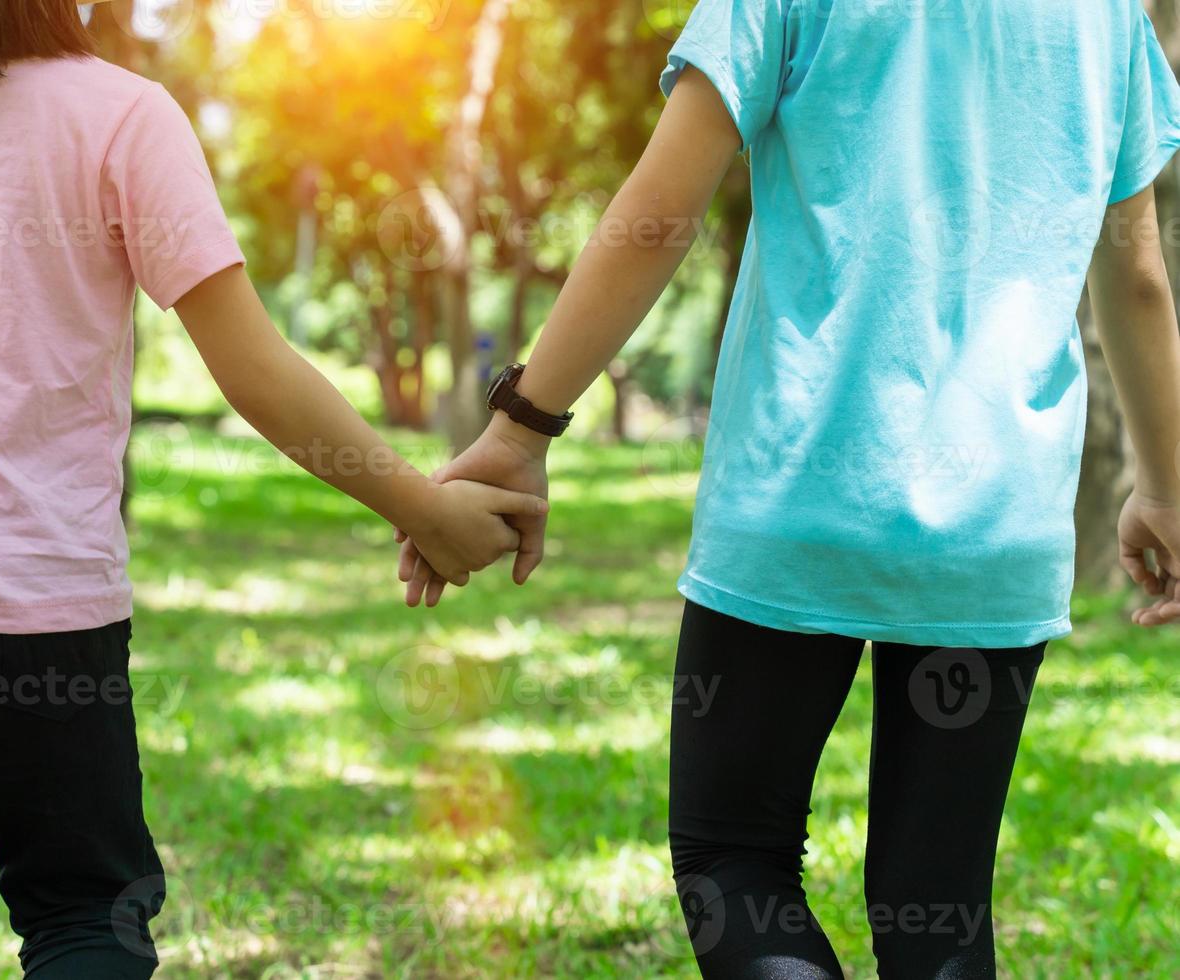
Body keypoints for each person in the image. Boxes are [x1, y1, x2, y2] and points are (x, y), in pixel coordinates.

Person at [0, 1, 545, 976]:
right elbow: (251, 367)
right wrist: (424, 508)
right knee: (86, 919)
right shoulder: (118, 113)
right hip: (38, 605)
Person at [399, 0, 1180, 975]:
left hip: (802, 492)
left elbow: (662, 208)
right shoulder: (1106, 17)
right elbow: (1138, 270)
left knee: (736, 859)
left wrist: (524, 425)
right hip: (997, 519)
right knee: (936, 901)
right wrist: (1165, 485)